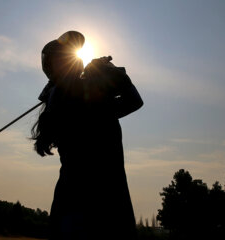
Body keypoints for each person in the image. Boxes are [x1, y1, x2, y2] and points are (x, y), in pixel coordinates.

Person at [31, 31, 143, 240]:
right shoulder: (72, 95)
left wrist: (104, 75)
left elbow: (129, 101)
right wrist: (109, 73)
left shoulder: (64, 96)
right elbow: (132, 100)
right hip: (96, 199)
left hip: (80, 196)